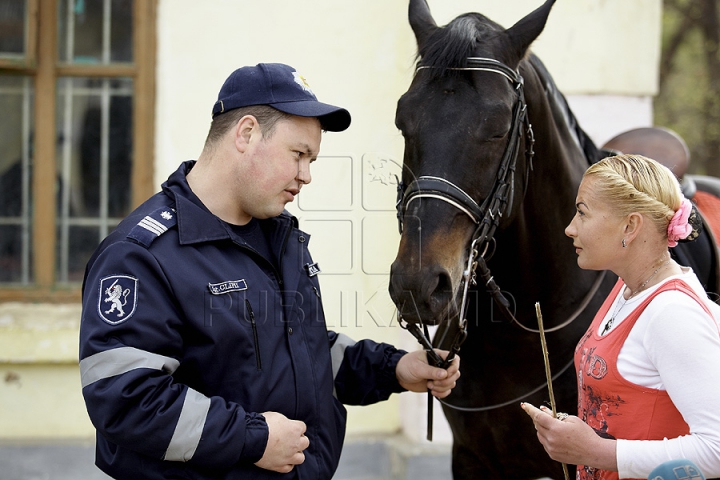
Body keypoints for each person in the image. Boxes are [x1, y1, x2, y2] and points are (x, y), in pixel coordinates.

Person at [78, 62, 460, 480]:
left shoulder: (276, 238)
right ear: (245, 134)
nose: (306, 176)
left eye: (311, 159)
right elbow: (126, 400)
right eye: (298, 154)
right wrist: (253, 438)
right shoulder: (142, 255)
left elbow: (301, 349)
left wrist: (393, 369)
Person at [520, 154, 720, 479]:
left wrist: (595, 451)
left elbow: (717, 450)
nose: (570, 228)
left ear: (630, 225)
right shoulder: (625, 288)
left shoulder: (672, 314)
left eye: (582, 213)